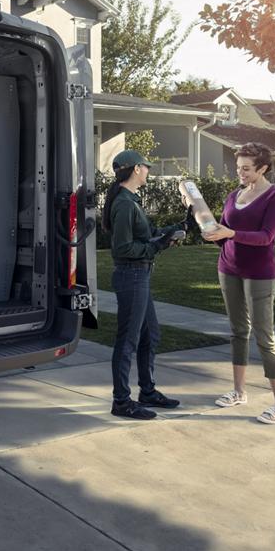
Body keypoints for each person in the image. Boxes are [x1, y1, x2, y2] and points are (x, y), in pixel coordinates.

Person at [200, 143, 275, 424]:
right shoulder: (233, 195)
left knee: (265, 336)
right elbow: (225, 234)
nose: (240, 172)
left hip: (259, 272)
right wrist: (212, 231)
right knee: (238, 331)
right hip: (228, 268)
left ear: (263, 168)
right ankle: (239, 391)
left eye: (246, 168)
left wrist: (231, 232)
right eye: (238, 167)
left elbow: (266, 237)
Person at [102, 150, 186, 420]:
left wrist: (172, 230)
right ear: (136, 169)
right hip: (131, 276)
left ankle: (147, 392)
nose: (148, 171)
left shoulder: (130, 200)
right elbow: (124, 247)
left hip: (140, 275)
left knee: (151, 336)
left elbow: (145, 236)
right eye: (146, 167)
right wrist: (160, 245)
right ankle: (121, 401)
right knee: (128, 340)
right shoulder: (125, 203)